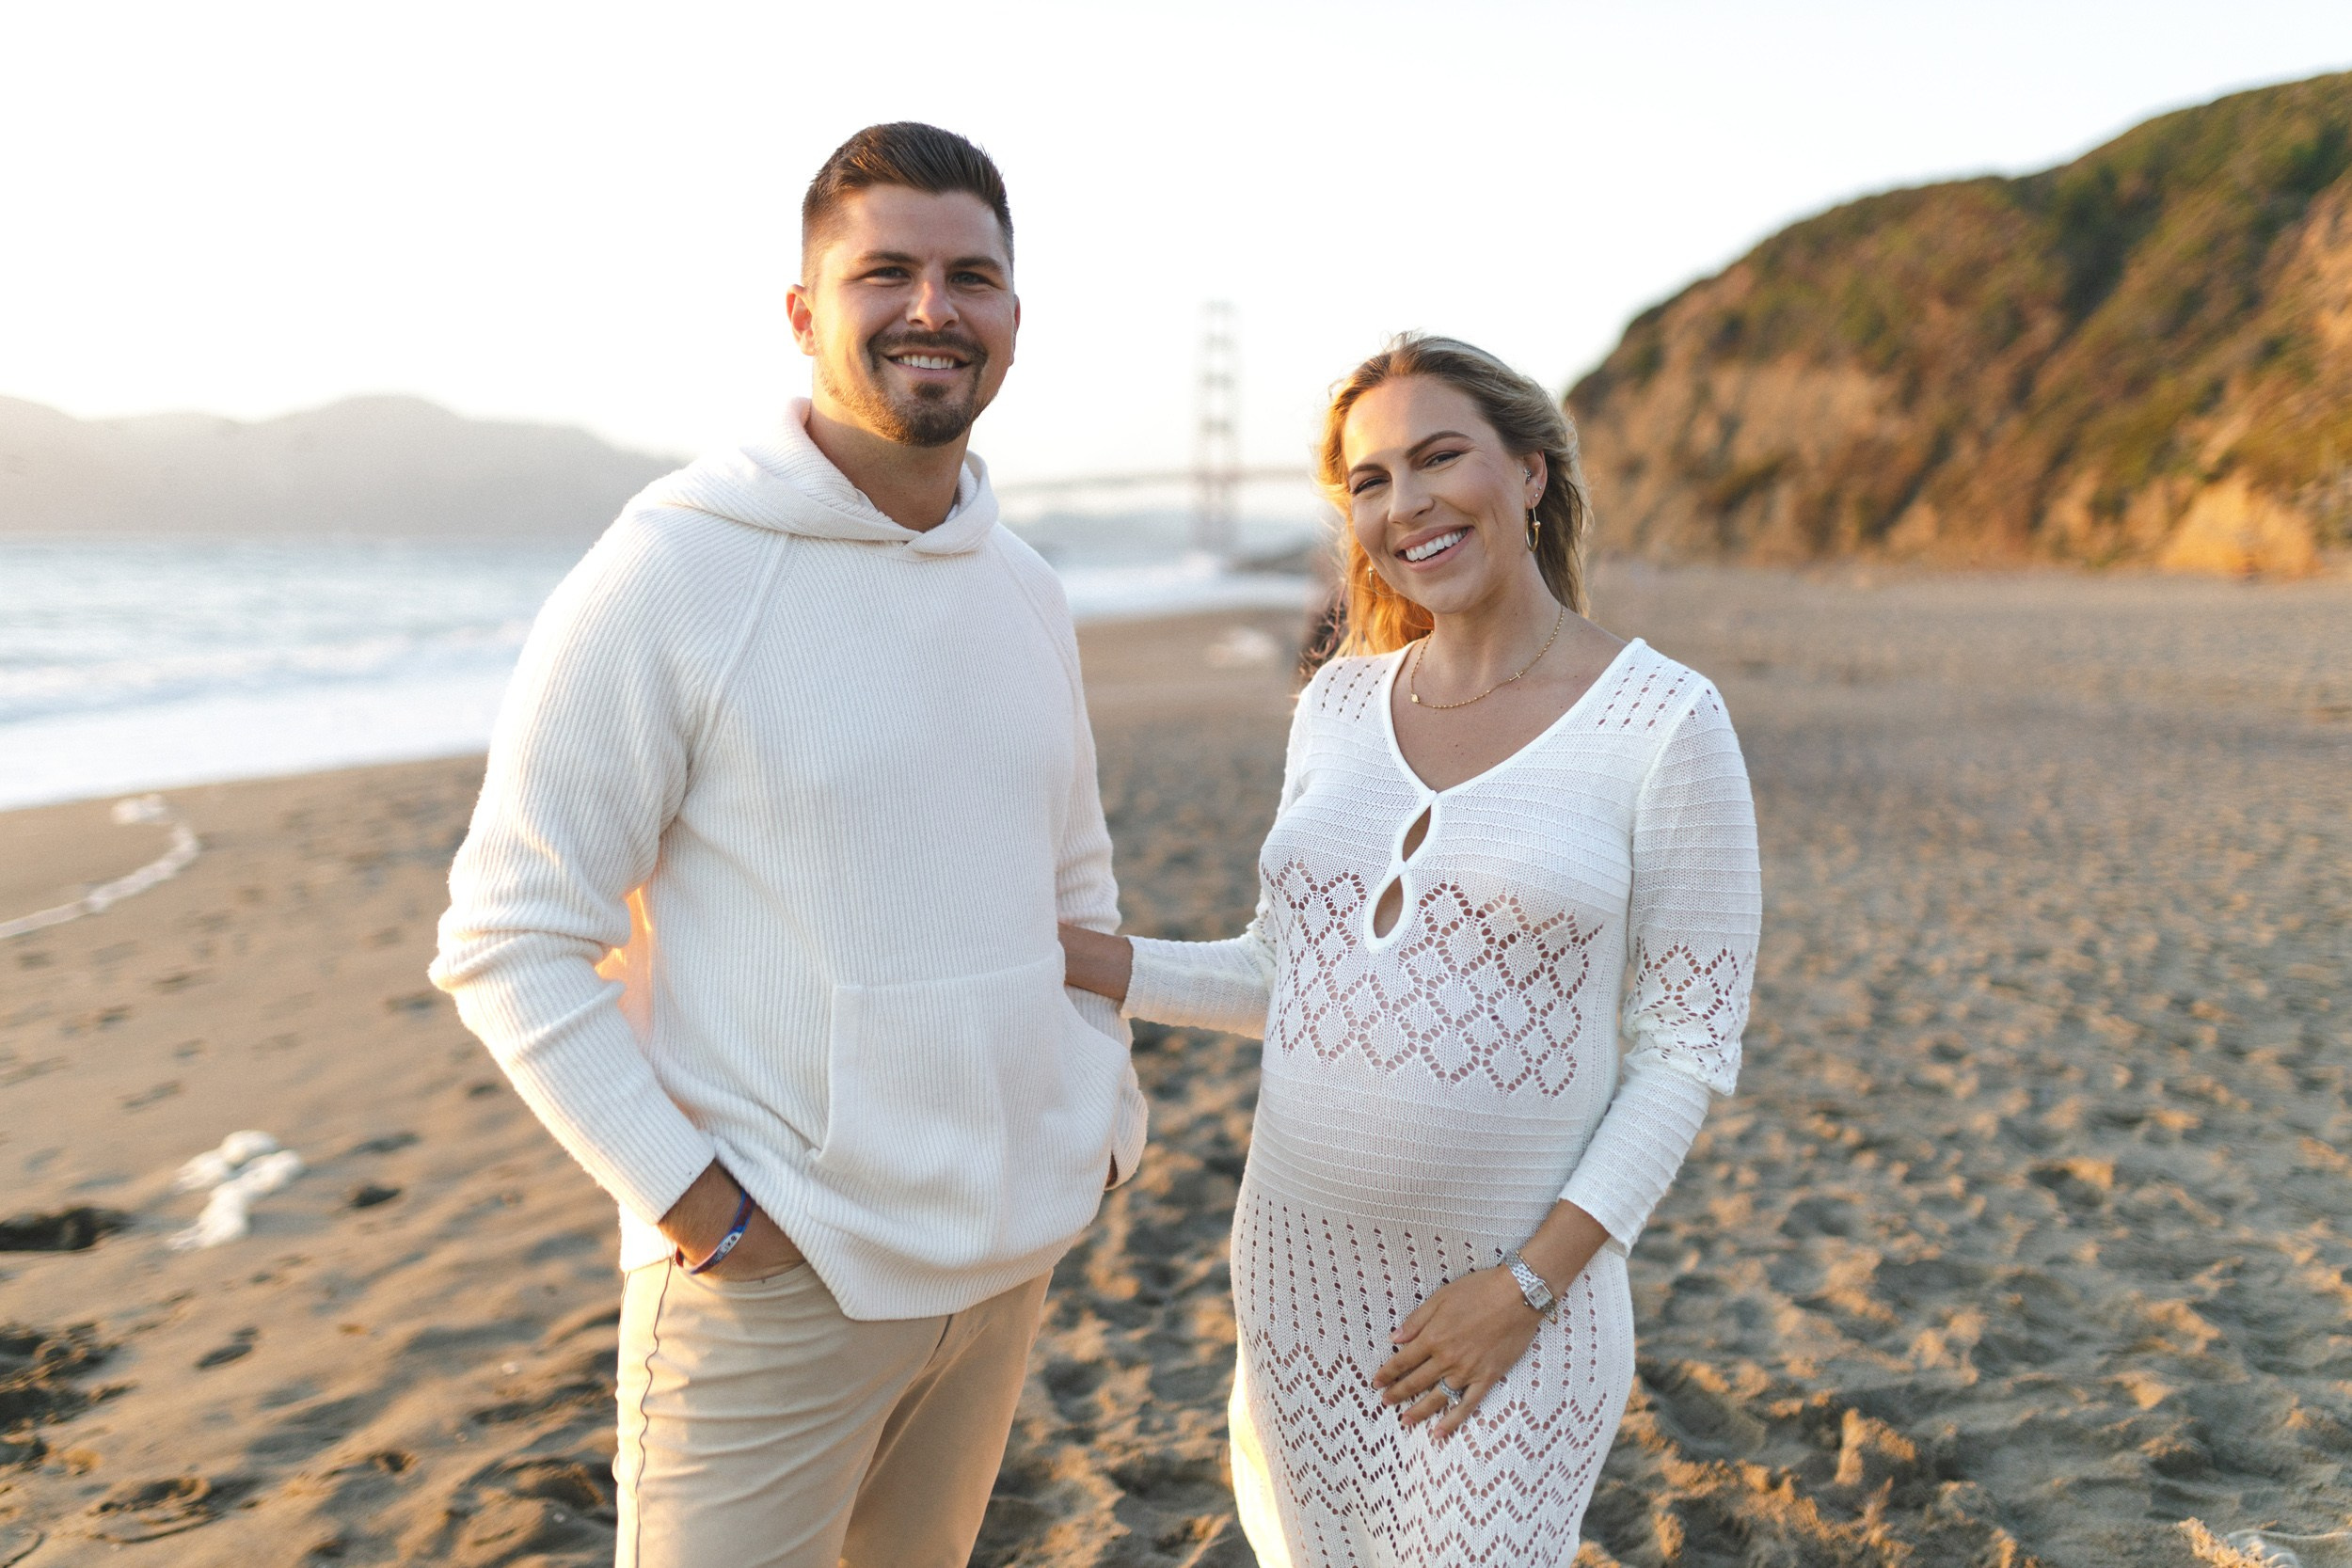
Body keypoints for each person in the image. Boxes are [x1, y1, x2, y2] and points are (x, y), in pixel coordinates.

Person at [431, 122, 1146, 1568]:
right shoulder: (673, 570)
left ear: (1014, 316)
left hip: (1003, 1269)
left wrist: (1100, 1126)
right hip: (774, 1285)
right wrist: (697, 1207)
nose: (933, 309)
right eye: (886, 273)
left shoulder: (1025, 589)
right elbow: (509, 935)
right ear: (804, 312)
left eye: (971, 277)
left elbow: (1074, 889)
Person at [1059, 335, 1761, 1564]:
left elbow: (1684, 1053)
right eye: (1371, 480)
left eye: (1440, 458)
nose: (1407, 504)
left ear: (1531, 472)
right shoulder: (1337, 705)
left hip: (1516, 1314)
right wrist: (1084, 958)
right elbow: (1285, 975)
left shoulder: (1663, 721)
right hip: (1298, 1286)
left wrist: (1525, 1290)